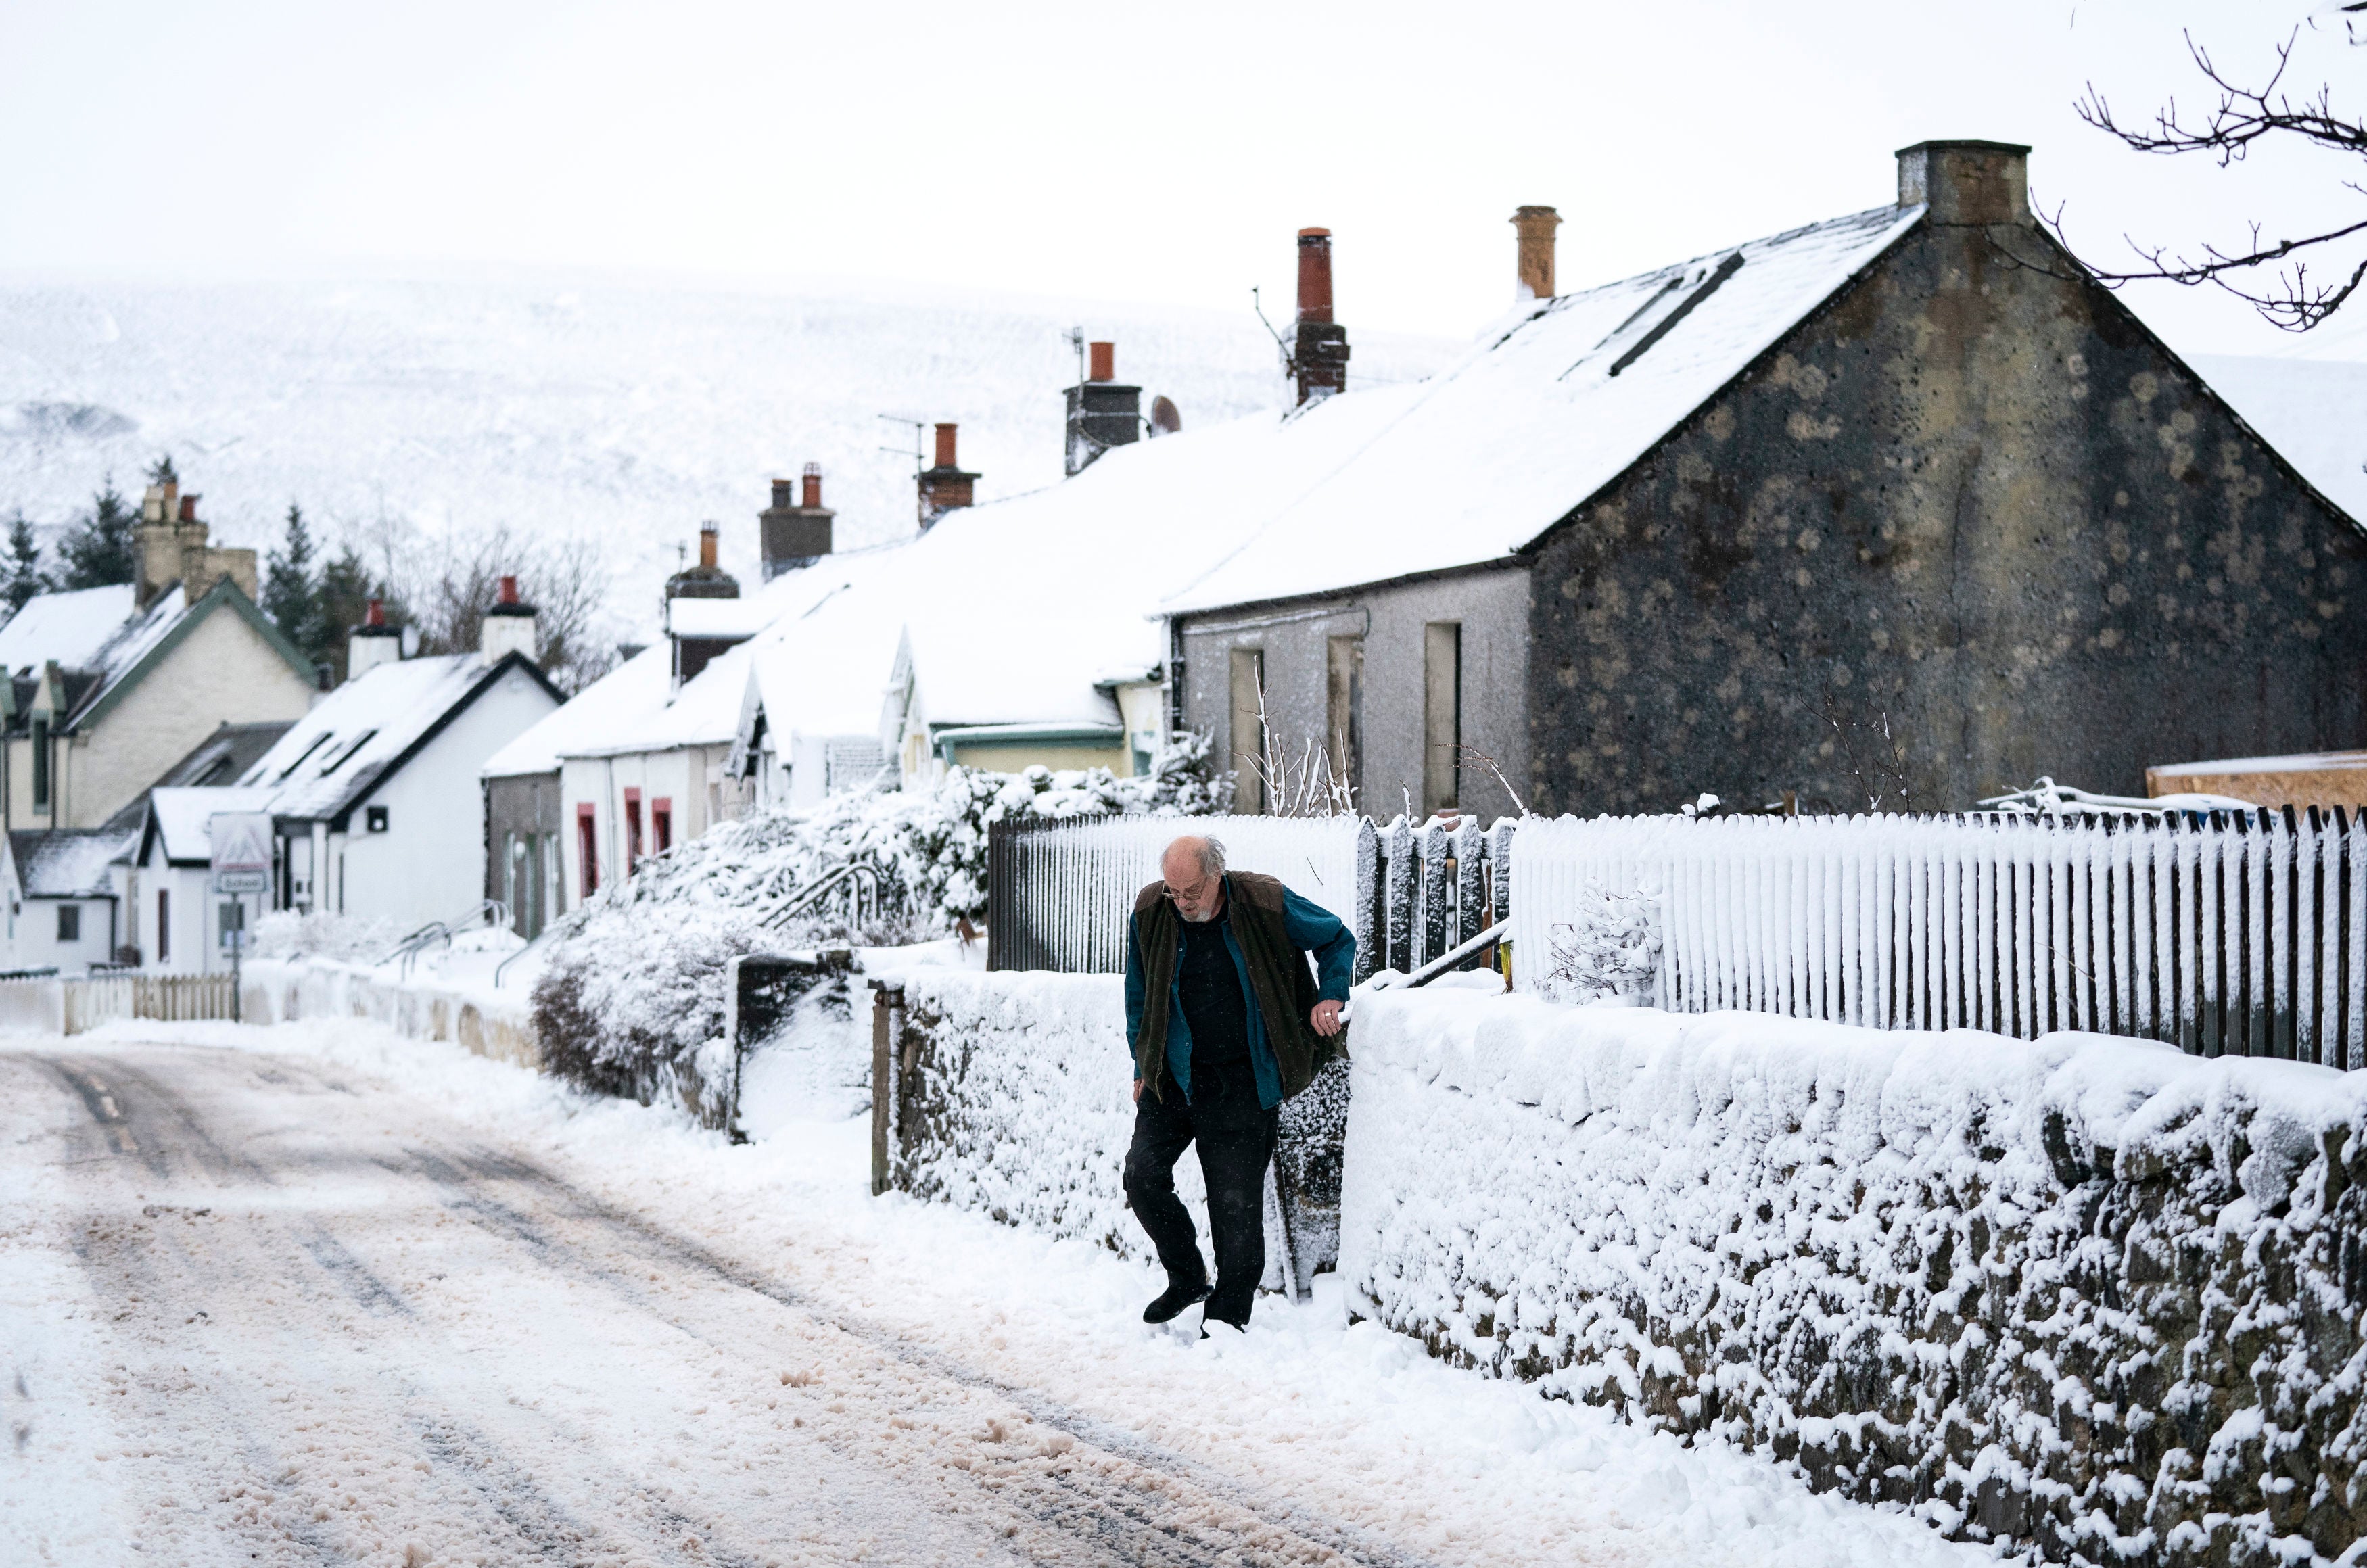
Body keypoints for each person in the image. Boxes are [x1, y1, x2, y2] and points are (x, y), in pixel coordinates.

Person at [1122, 833, 1354, 1335]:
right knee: (1141, 1174)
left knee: (1236, 1207)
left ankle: (1226, 1321)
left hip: (1242, 1081)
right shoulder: (1151, 910)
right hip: (1175, 1075)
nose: (1182, 903)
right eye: (1173, 892)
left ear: (1216, 876)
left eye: (1191, 892)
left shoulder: (1264, 901)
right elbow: (1137, 996)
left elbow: (1337, 937)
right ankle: (1186, 1276)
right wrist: (1143, 1065)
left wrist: (1331, 994)